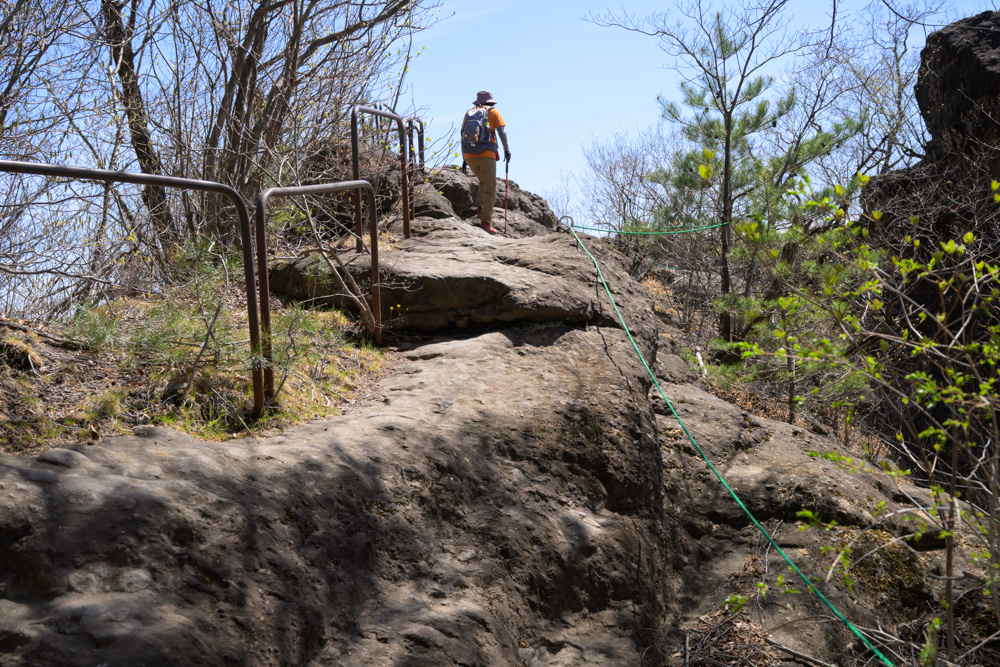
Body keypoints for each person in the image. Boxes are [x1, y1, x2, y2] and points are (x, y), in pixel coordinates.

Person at [460, 91, 510, 235]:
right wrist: (507, 150)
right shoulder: (493, 112)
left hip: (469, 155)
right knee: (490, 188)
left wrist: (464, 156)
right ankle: (486, 222)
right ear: (491, 102)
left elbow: (463, 134)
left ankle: (480, 208)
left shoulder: (469, 114)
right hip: (487, 154)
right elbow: (502, 132)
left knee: (482, 180)